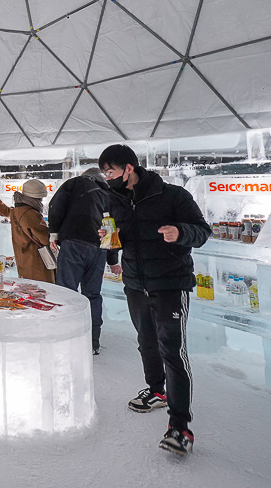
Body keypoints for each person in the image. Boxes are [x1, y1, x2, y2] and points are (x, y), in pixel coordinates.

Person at [98, 144, 211, 457]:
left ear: (129, 169)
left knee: (172, 351)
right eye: (104, 173)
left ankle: (180, 426)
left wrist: (180, 231)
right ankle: (156, 390)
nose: (107, 178)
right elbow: (114, 232)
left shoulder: (173, 196)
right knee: (146, 343)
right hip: (135, 282)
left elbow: (202, 231)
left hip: (171, 284)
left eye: (110, 171)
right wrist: (109, 247)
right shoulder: (114, 198)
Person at [48, 167, 119, 355]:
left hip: (74, 244)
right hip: (99, 250)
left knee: (66, 292)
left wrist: (54, 233)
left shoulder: (76, 183)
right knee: (92, 294)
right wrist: (113, 260)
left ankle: (66, 338)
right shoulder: (108, 194)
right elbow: (113, 230)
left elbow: (56, 204)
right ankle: (92, 342)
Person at [9, 182, 54, 283]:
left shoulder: (18, 209)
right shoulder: (29, 213)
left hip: (25, 256)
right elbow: (44, 237)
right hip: (35, 258)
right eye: (40, 198)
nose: (42, 200)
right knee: (42, 290)